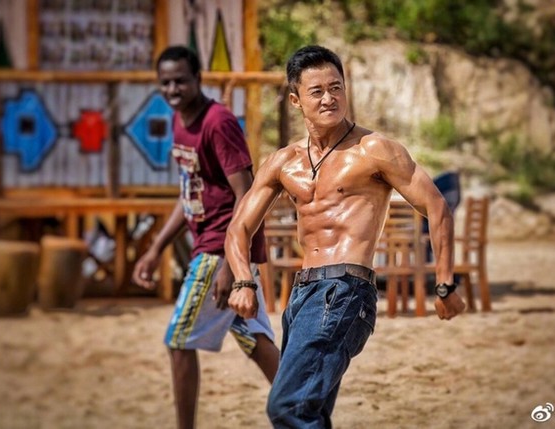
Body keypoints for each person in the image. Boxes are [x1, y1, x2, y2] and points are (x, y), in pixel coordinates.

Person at [225, 45, 466, 428]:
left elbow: (437, 207)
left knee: (288, 408)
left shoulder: (374, 150)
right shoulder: (283, 162)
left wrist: (444, 283)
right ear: (296, 100)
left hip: (345, 290)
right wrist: (243, 280)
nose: (329, 98)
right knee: (310, 408)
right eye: (317, 91)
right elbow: (238, 227)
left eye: (336, 87)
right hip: (302, 296)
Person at [131, 45, 280, 429]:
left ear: (198, 79)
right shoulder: (180, 121)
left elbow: (246, 194)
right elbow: (189, 195)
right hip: (219, 247)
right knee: (255, 341)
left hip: (220, 247)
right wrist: (156, 248)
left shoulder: (218, 123)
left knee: (179, 342)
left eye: (180, 81)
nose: (173, 89)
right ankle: (306, 418)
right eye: (165, 82)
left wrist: (232, 265)